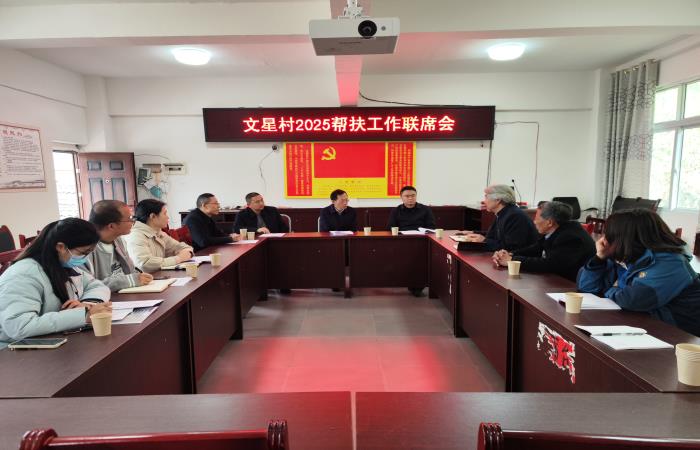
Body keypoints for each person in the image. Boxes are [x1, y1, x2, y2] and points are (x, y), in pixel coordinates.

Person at [577, 209, 700, 336]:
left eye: (609, 235)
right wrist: (599, 258)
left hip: (678, 331)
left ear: (625, 238)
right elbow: (587, 288)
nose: (605, 239)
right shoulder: (627, 256)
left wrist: (608, 290)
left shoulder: (670, 262)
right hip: (643, 322)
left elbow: (632, 300)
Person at [0, 218, 112, 348]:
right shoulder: (23, 275)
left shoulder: (60, 264)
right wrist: (83, 315)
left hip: (51, 341)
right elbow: (19, 326)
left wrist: (87, 304)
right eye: (83, 253)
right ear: (61, 247)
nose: (85, 259)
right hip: (14, 350)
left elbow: (96, 285)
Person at [492, 201, 595, 281]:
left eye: (536, 218)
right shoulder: (557, 230)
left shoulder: (571, 237)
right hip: (556, 280)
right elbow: (536, 249)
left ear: (549, 222)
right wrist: (508, 254)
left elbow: (550, 264)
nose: (534, 222)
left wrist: (512, 260)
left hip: (571, 286)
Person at [86, 199, 153, 291]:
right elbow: (89, 286)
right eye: (129, 219)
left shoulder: (118, 240)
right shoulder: (85, 249)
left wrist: (140, 276)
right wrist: (130, 280)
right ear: (111, 226)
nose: (133, 221)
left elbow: (130, 270)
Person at [460, 184, 538, 251]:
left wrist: (484, 240)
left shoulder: (514, 216)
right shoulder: (503, 213)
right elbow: (494, 235)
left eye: (486, 197)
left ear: (498, 200)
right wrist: (473, 233)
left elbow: (510, 247)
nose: (484, 201)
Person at [126, 199, 194, 272]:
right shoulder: (136, 236)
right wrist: (179, 258)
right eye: (164, 213)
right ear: (153, 216)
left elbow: (182, 247)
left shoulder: (159, 233)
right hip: (148, 278)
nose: (168, 217)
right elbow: (145, 264)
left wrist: (188, 253)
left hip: (160, 276)